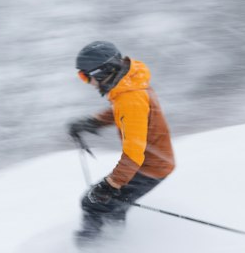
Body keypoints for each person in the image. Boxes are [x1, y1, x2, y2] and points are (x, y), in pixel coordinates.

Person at [67, 41, 175, 240]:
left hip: (149, 166)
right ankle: (114, 250)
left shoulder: (130, 99)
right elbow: (123, 112)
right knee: (112, 206)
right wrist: (91, 123)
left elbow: (134, 153)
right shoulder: (131, 85)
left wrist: (110, 184)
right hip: (155, 161)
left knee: (93, 203)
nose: (87, 82)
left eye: (85, 76)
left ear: (101, 72)